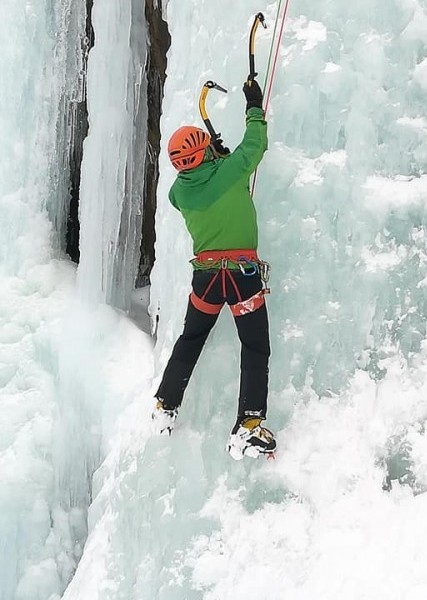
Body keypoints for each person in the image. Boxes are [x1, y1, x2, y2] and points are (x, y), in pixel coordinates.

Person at [152, 79, 275, 460]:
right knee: (254, 345)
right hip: (241, 279)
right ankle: (248, 424)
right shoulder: (229, 171)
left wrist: (214, 158)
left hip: (206, 280)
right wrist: (253, 105)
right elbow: (255, 145)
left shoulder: (181, 192)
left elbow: (193, 182)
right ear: (204, 150)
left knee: (191, 341)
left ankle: (165, 406)